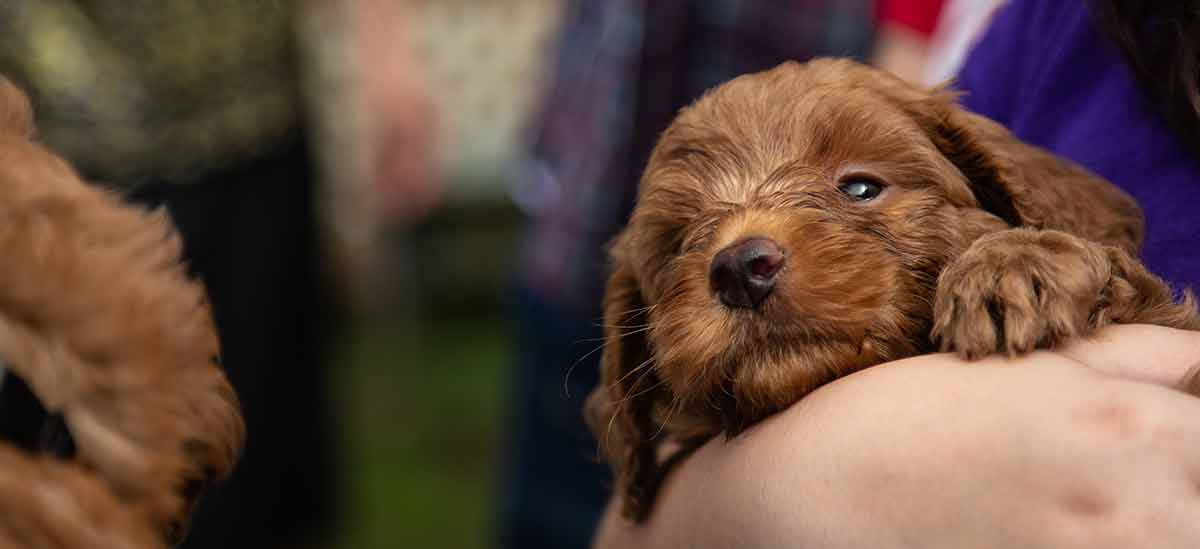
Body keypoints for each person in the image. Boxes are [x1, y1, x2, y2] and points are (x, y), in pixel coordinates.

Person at [591, 0, 1200, 546]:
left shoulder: (1023, 243)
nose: (742, 259)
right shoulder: (1058, 25)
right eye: (679, 247)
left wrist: (1059, 265)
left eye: (860, 188)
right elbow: (628, 528)